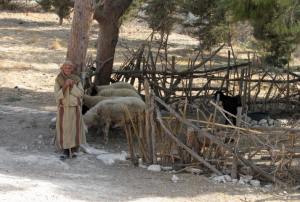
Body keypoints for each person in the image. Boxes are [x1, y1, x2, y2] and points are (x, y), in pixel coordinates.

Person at [54, 61, 86, 160]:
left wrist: (72, 86)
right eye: (65, 68)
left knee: (74, 129)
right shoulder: (59, 79)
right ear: (62, 69)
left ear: (72, 69)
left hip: (74, 108)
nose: (67, 69)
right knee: (64, 129)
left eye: (69, 68)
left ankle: (74, 149)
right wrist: (64, 86)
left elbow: (80, 94)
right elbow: (57, 95)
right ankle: (65, 150)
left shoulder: (76, 79)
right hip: (63, 108)